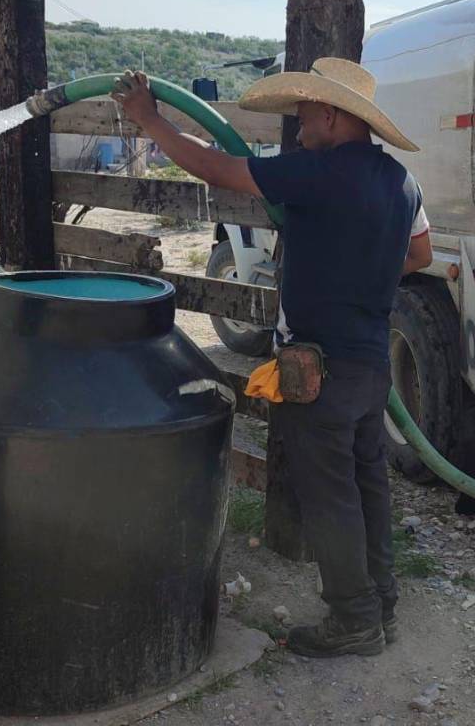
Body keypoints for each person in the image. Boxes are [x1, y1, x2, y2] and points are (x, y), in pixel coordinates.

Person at [112, 58, 432, 657]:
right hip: (368, 363)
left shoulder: (318, 173)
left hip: (321, 369)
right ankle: (379, 606)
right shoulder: (401, 182)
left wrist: (150, 119)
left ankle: (353, 622)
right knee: (367, 487)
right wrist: (362, 269)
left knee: (332, 495)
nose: (298, 123)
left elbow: (216, 168)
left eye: (305, 112)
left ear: (333, 116)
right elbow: (420, 253)